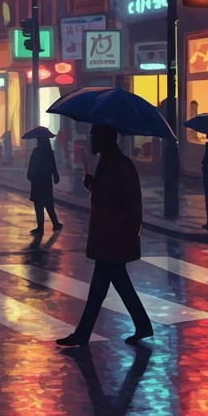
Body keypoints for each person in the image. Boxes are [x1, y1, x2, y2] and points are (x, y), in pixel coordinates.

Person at [57, 124, 153, 348]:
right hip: (108, 238)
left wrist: (120, 229)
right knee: (118, 285)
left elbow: (126, 203)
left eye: (93, 137)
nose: (90, 141)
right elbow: (108, 195)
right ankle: (142, 325)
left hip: (114, 239)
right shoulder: (107, 162)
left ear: (105, 140)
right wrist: (93, 185)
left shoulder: (121, 165)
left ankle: (82, 335)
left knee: (98, 290)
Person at [26, 127, 63, 236]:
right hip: (46, 180)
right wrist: (56, 176)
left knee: (38, 205)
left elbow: (32, 165)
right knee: (48, 204)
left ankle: (41, 228)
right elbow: (53, 165)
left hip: (37, 181)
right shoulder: (49, 151)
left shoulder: (36, 151)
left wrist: (30, 175)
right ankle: (55, 224)